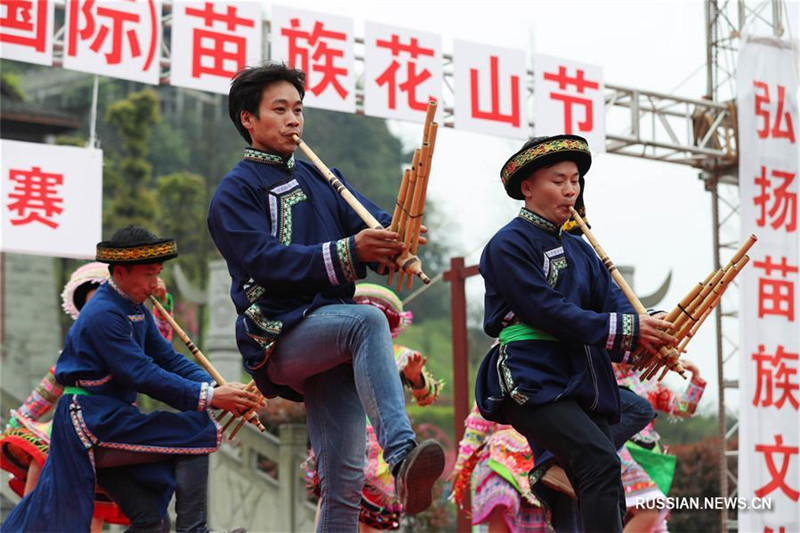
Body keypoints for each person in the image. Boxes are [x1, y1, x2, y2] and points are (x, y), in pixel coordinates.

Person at [207, 62, 445, 532]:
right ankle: (401, 456)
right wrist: (350, 251)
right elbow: (267, 262)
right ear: (248, 119)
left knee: (344, 483)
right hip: (278, 334)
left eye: (298, 109)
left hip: (331, 335)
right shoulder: (234, 193)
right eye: (280, 109)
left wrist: (399, 238)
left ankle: (393, 468)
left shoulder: (320, 176)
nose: (294, 119)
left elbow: (371, 223)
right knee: (368, 321)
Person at [475, 134, 677, 532]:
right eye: (558, 180)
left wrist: (650, 323)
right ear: (528, 187)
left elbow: (614, 301)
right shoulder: (507, 245)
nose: (570, 189)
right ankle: (550, 465)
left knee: (602, 485)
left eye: (575, 180)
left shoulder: (583, 250)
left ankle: (552, 470)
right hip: (534, 377)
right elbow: (548, 311)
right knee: (599, 461)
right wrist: (630, 328)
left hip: (585, 381)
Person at [2, 226, 260, 533]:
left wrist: (218, 387)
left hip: (113, 417)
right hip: (90, 421)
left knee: (151, 521)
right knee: (198, 430)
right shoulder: (103, 314)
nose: (154, 285)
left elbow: (168, 358)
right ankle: (195, 530)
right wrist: (208, 397)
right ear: (120, 272)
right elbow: (141, 373)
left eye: (158, 274)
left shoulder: (134, 309)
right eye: (148, 275)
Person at [303, 283, 444, 531]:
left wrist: (416, 378)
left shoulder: (396, 353)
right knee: (333, 498)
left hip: (380, 449)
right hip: (341, 434)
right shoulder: (332, 352)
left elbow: (427, 395)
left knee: (373, 518)